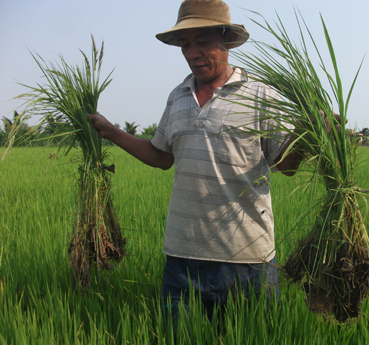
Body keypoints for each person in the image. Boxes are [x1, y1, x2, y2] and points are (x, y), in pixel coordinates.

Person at [89, 0, 304, 323]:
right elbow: (162, 157)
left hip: (247, 262)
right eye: (185, 45)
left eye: (202, 42)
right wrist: (110, 131)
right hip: (182, 259)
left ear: (226, 41)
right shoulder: (177, 96)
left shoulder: (261, 96)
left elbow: (286, 166)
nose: (192, 53)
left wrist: (309, 137)